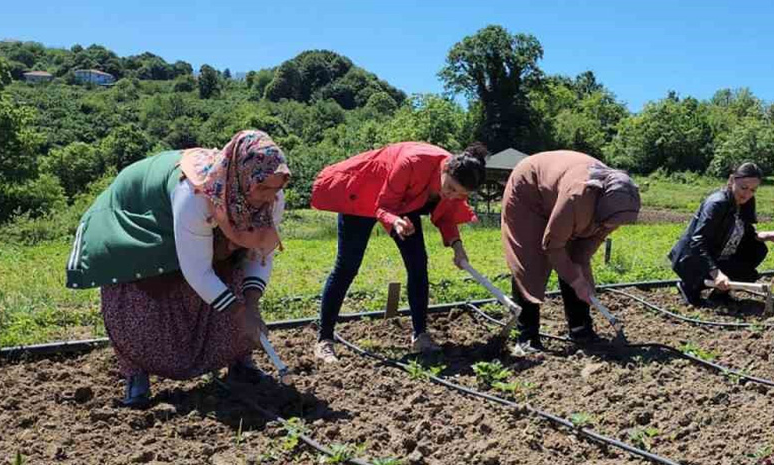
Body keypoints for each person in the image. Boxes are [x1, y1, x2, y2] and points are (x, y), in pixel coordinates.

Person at [65, 130, 289, 406]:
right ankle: (137, 376)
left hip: (187, 221)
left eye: (276, 188)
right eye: (263, 188)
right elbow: (197, 271)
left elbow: (259, 252)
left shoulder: (273, 198)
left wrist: (251, 305)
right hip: (139, 219)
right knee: (147, 291)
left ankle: (240, 363)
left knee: (231, 267)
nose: (269, 197)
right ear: (242, 177)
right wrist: (240, 312)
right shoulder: (195, 194)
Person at [310, 142, 487, 361]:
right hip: (364, 191)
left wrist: (458, 248)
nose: (450, 195)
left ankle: (420, 336)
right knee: (347, 266)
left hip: (405, 202)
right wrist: (395, 222)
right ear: (446, 168)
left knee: (418, 264)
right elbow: (384, 205)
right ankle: (324, 339)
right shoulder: (413, 162)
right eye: (449, 188)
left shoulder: (458, 181)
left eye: (459, 194)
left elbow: (446, 216)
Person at [500, 150, 641, 354]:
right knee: (529, 262)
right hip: (529, 191)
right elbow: (553, 246)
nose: (612, 226)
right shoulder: (577, 197)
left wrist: (581, 275)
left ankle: (580, 329)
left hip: (563, 194)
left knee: (576, 264)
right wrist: (576, 281)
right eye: (610, 222)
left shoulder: (618, 203)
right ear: (600, 207)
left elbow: (583, 251)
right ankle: (527, 336)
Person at [668, 162, 774, 306]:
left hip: (718, 253)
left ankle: (719, 294)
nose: (747, 194)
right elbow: (697, 241)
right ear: (732, 180)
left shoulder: (745, 203)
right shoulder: (716, 203)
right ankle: (689, 286)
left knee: (757, 250)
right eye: (744, 187)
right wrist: (716, 273)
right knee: (699, 289)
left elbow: (744, 232)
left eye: (753, 190)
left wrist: (767, 235)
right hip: (691, 258)